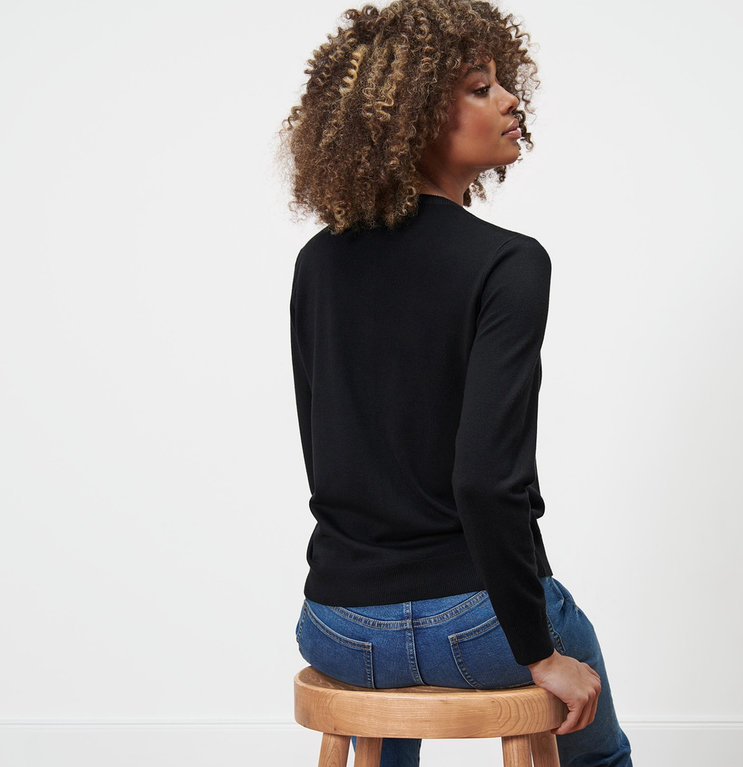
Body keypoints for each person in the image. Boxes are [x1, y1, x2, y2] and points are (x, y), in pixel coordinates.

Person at [280, 1, 633, 765]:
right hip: (478, 623)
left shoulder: (318, 263)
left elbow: (328, 459)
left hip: (341, 624)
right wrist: (538, 652)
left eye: (504, 84)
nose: (511, 100)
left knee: (390, 706)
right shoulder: (509, 262)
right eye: (480, 87)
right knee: (597, 750)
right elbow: (485, 481)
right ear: (410, 116)